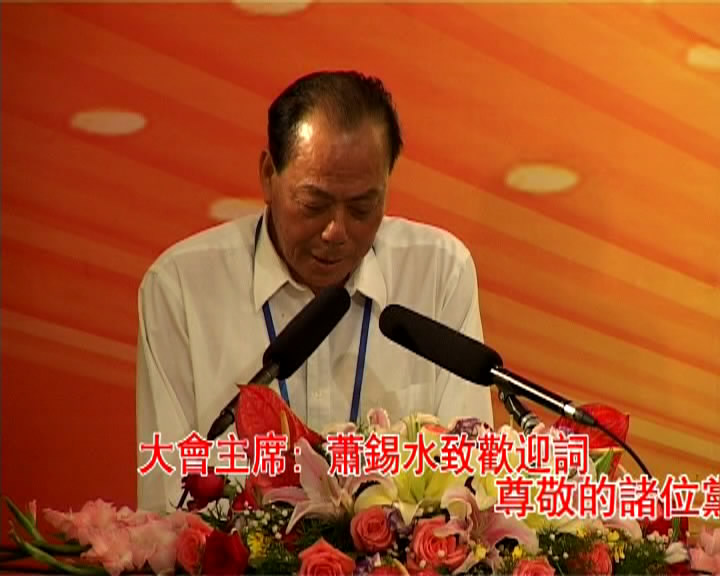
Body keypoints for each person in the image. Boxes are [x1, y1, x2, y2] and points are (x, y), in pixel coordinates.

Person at [136, 70, 494, 512]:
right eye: (313, 205)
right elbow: (166, 503)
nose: (335, 232)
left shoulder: (439, 272)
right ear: (268, 175)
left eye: (362, 207)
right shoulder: (180, 287)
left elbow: (469, 483)